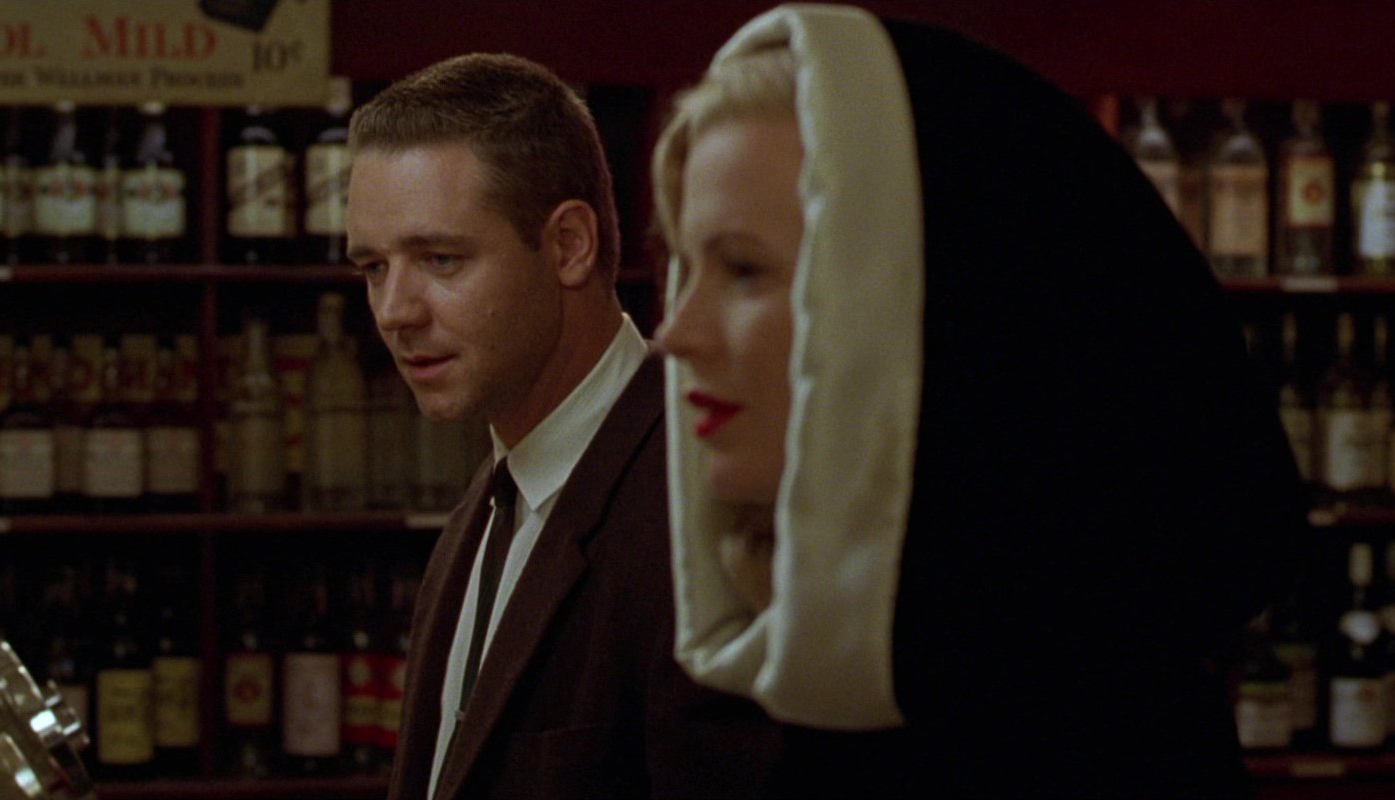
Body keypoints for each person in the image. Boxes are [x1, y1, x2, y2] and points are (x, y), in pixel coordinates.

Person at [652, 5, 1305, 798]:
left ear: (946, 317)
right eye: (685, 267)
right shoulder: (793, 700)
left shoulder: (1098, 751)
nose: (673, 333)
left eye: (744, 270)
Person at [345, 53, 780, 800]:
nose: (394, 312)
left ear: (570, 245)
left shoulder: (702, 510)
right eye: (373, 268)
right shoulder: (490, 501)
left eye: (440, 259)